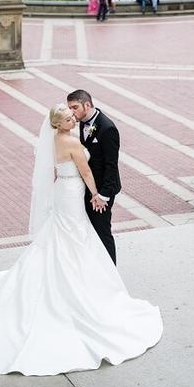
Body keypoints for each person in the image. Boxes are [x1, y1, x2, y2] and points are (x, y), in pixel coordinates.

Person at [0, 104, 162, 375]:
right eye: (67, 118)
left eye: (72, 115)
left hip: (63, 190)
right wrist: (96, 195)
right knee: (74, 236)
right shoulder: (72, 142)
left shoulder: (53, 140)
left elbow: (52, 171)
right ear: (58, 124)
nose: (72, 118)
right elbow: (86, 172)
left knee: (61, 235)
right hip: (73, 192)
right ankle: (78, 286)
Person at [67, 90, 121, 264]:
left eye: (75, 107)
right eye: (69, 108)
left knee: (102, 231)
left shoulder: (108, 128)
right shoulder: (82, 123)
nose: (71, 112)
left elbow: (111, 165)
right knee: (90, 230)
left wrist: (102, 196)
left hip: (102, 192)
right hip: (89, 188)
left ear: (87, 105)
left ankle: (111, 271)